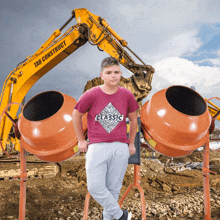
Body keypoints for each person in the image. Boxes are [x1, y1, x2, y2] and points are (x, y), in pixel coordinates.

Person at [72, 57, 139, 220]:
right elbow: (76, 115)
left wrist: (131, 143)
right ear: (102, 75)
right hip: (97, 147)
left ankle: (111, 217)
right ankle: (121, 215)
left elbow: (134, 119)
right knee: (95, 187)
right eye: (109, 73)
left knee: (113, 190)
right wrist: (81, 140)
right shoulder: (91, 94)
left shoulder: (127, 95)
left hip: (120, 147)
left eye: (116, 72)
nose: (113, 76)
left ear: (120, 74)